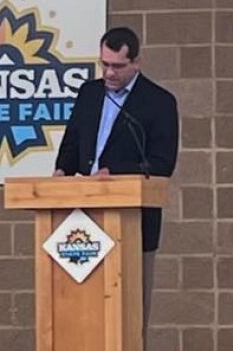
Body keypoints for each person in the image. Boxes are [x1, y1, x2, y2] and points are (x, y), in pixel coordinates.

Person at [54, 26, 179, 337]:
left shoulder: (159, 102)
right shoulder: (89, 93)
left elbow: (162, 164)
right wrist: (60, 173)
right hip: (83, 216)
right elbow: (72, 143)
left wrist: (113, 173)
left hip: (133, 223)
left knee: (129, 317)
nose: (109, 72)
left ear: (136, 62)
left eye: (118, 66)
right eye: (104, 64)